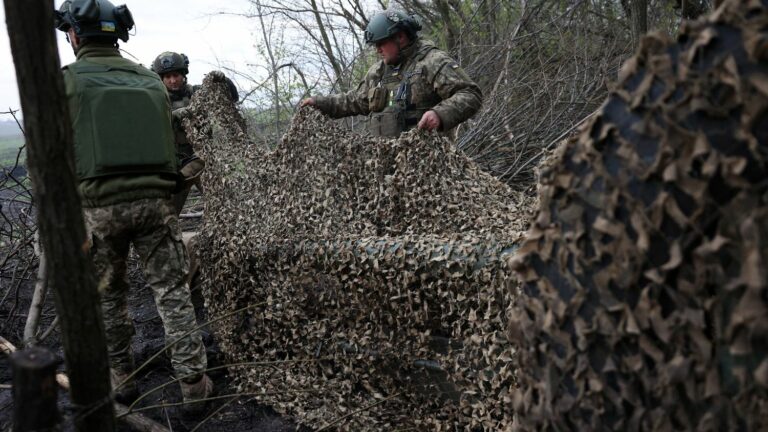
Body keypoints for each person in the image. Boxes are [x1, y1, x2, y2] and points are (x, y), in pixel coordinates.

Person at [55, 0, 212, 415]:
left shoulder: (66, 81)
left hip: (99, 209)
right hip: (156, 207)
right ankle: (194, 383)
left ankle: (121, 378)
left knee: (108, 296)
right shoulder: (149, 80)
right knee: (172, 291)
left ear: (74, 35)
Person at [301, 10, 482, 137]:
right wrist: (320, 103)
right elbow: (355, 100)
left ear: (400, 37)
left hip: (428, 165)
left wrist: (439, 115)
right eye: (375, 46)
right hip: (387, 170)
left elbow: (470, 94)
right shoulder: (378, 72)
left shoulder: (431, 61)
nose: (378, 50)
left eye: (381, 44)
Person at [151, 51, 238, 215]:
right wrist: (172, 117)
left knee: (226, 209)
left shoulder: (197, 93)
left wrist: (223, 81)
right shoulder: (156, 100)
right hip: (175, 167)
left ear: (183, 75)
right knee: (167, 214)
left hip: (203, 160)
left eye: (176, 75)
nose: (173, 80)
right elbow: (148, 126)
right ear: (161, 79)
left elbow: (231, 98)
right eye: (167, 77)